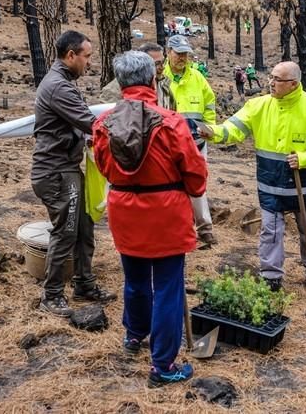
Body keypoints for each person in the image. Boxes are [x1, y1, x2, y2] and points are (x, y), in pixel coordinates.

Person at [92, 50, 207, 387]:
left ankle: (134, 334)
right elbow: (196, 173)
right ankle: (163, 365)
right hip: (166, 212)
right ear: (152, 79)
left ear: (120, 81)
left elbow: (102, 166)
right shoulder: (172, 122)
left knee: (135, 278)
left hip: (124, 209)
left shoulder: (103, 124)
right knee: (169, 288)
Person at [199, 61, 306, 293]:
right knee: (270, 230)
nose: (271, 83)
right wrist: (211, 132)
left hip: (305, 185)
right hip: (271, 183)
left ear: (293, 84)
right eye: (271, 78)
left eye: (277, 80)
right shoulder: (259, 105)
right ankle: (271, 276)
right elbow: (232, 128)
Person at [31, 30, 115, 317]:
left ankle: (84, 284)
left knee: (83, 227)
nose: (89, 63)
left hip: (66, 168)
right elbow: (91, 122)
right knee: (65, 231)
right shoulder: (59, 87)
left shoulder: (61, 82)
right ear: (70, 55)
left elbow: (78, 125)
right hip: (55, 171)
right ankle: (51, 295)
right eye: (87, 56)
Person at [163, 34, 217, 245]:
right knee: (170, 187)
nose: (183, 58)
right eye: (179, 53)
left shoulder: (197, 78)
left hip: (196, 144)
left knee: (198, 184)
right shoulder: (160, 77)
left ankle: (205, 228)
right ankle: (175, 229)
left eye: (186, 54)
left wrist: (209, 128)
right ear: (168, 52)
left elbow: (210, 105)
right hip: (168, 145)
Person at [100, 42, 176, 111]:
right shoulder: (112, 90)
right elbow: (110, 120)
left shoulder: (163, 84)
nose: (162, 67)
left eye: (163, 62)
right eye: (156, 64)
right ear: (142, 63)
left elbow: (172, 112)